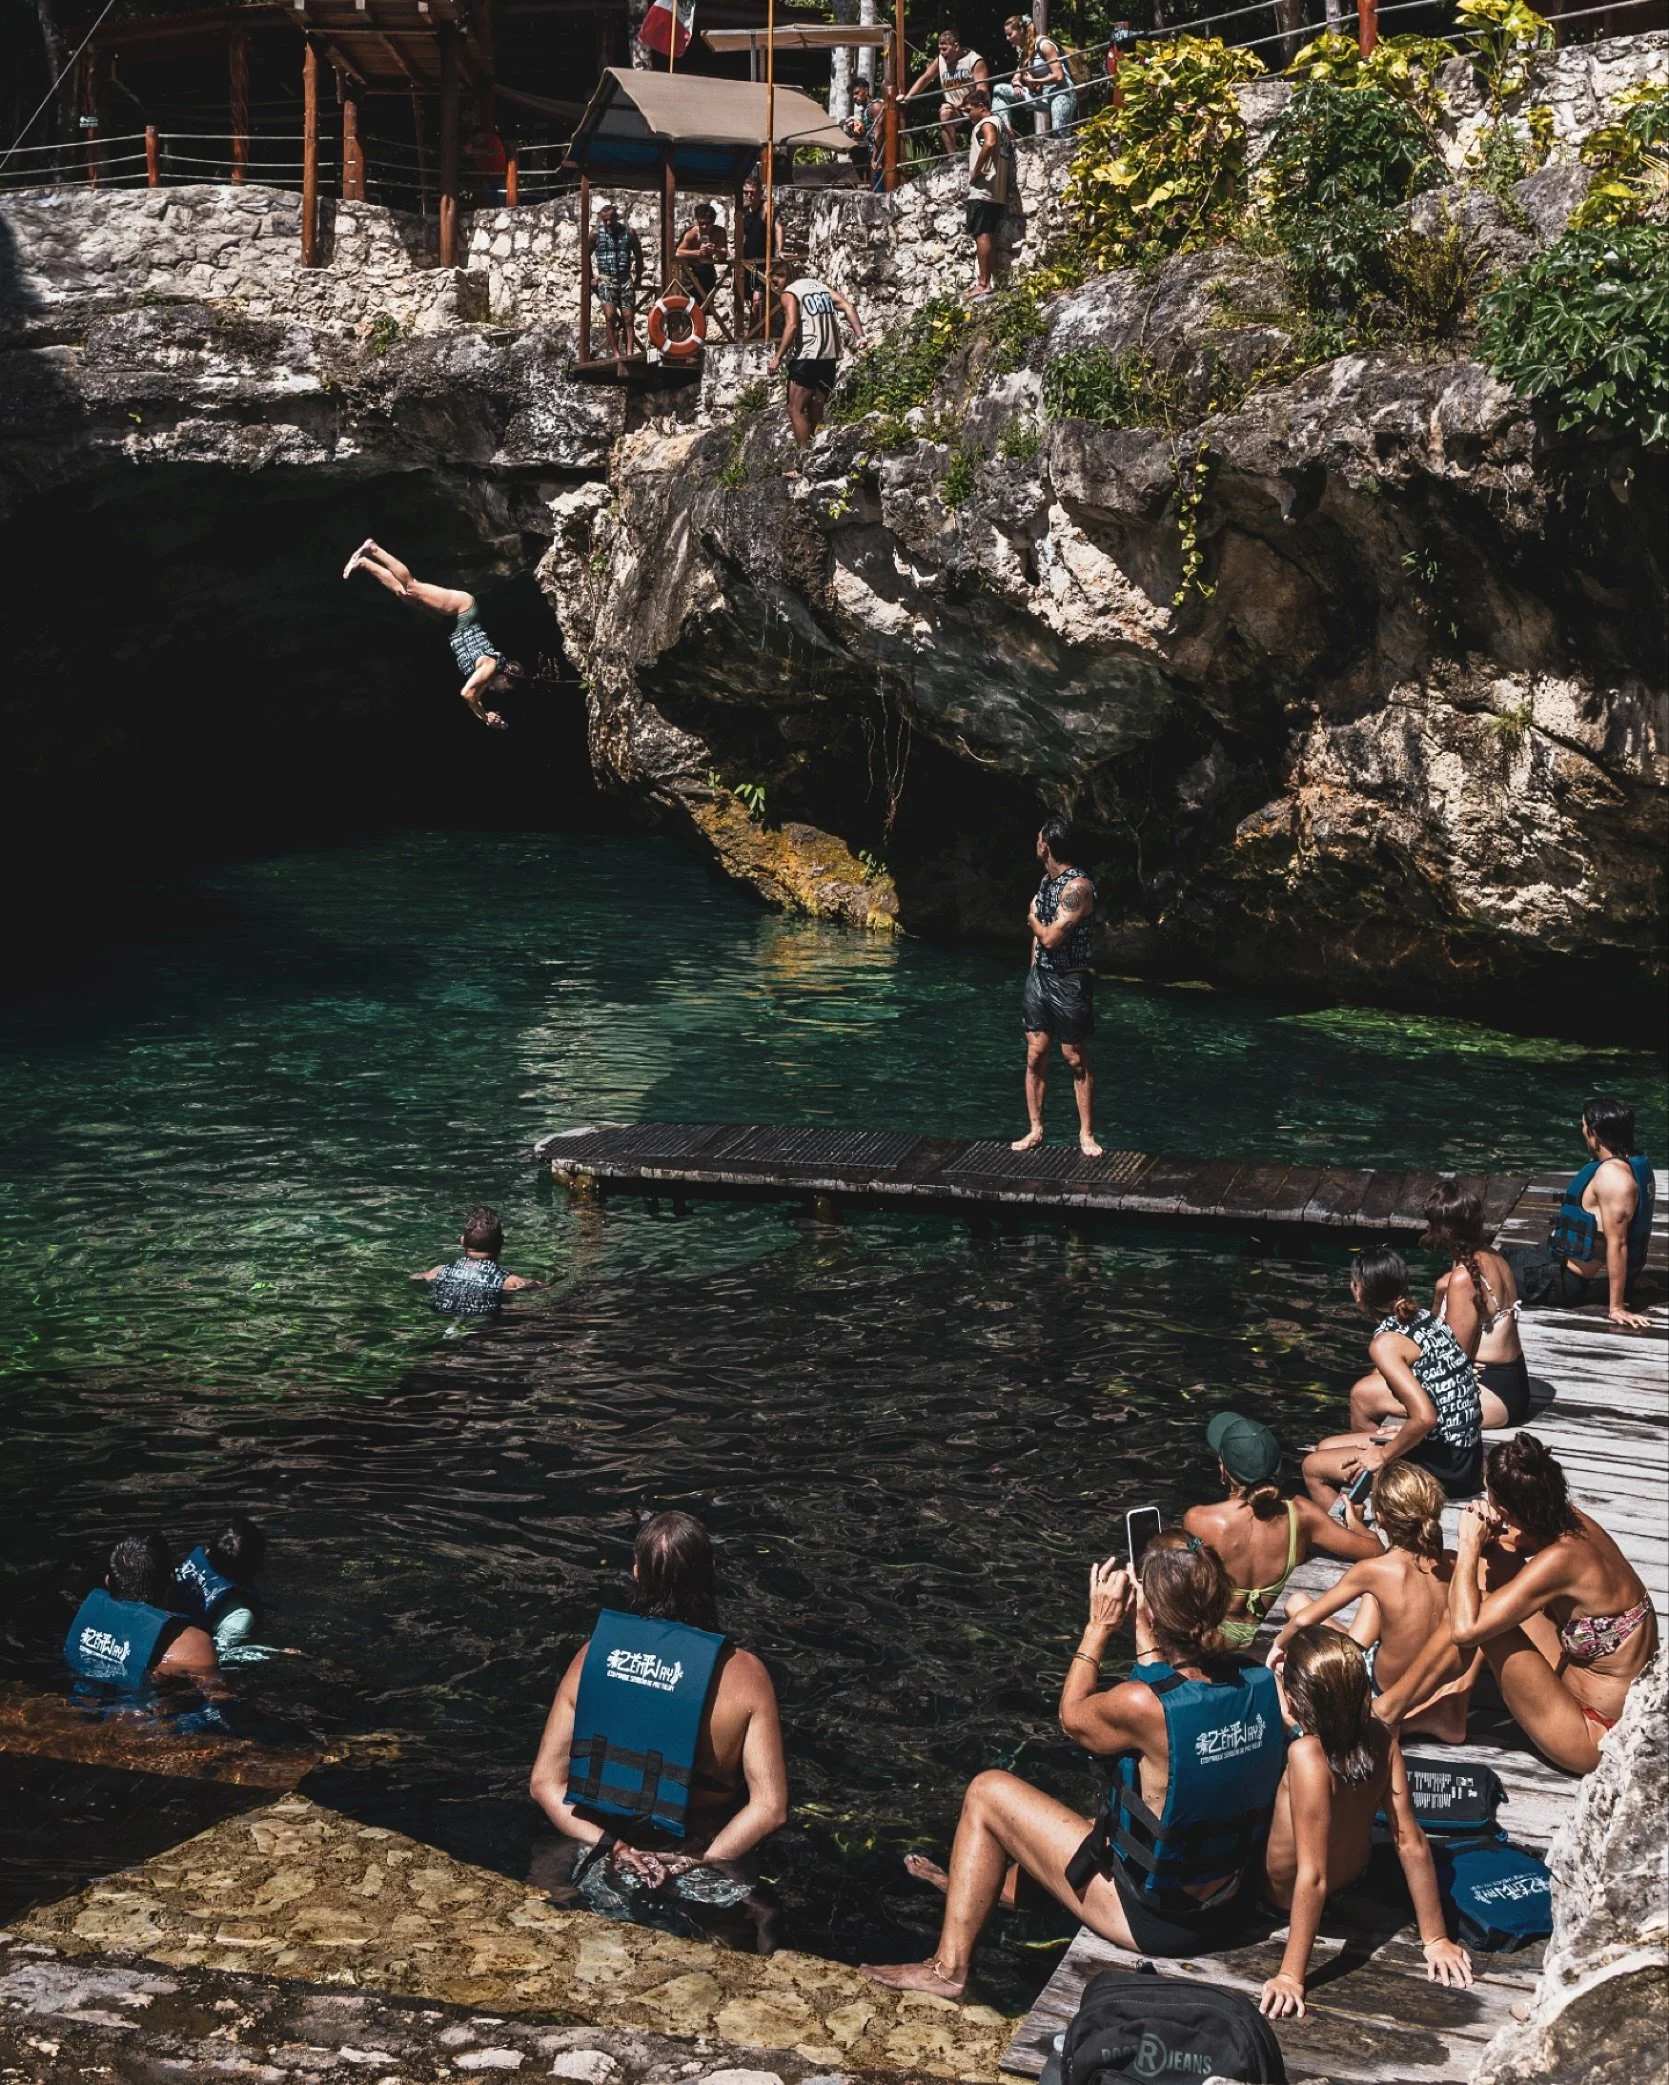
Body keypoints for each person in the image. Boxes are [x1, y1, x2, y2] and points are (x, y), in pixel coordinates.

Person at [859, 1533, 1287, 1995]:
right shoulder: (1259, 1678)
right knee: (1088, 1822)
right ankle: (987, 1890)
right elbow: (1170, 1695)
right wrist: (1147, 1629)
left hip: (1158, 1921)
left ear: (1152, 1611)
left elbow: (1072, 1718)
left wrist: (1099, 1626)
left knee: (988, 1791)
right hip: (1226, 1901)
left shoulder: (1142, 1707)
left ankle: (948, 1969)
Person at [528, 1511, 789, 1938]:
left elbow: (544, 1784)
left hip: (603, 1853)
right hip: (702, 1852)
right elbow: (770, 1809)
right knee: (752, 1933)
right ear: (712, 1574)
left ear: (635, 1574)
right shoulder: (747, 1675)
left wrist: (614, 1846)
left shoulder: (592, 1657)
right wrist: (700, 1862)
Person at [1258, 1626, 1473, 2020]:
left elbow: (1313, 1876)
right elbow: (1409, 1839)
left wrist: (1291, 1975)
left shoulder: (1305, 1756)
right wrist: (1436, 1938)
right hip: (1354, 1878)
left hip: (1286, 1898)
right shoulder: (1381, 1734)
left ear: (1295, 1698)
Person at [1445, 1434, 1657, 1772]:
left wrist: (1469, 1541)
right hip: (1599, 1693)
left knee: (1471, 1612)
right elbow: (1511, 1544)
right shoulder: (1570, 1519)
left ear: (1504, 1507)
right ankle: (1448, 1702)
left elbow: (1465, 1630)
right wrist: (1490, 1538)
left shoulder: (1561, 1560)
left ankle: (1400, 1710)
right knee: (1488, 1565)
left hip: (1596, 1733)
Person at [1273, 1462, 1480, 1742]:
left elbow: (1303, 1619)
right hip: (1435, 1679)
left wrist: (1276, 1647)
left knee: (1296, 1603)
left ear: (1381, 1519)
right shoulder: (1454, 1561)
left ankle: (1413, 1717)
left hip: (1387, 1687)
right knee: (1379, 1593)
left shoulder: (1376, 1571)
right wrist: (1358, 1527)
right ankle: (1440, 1711)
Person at [1183, 1411, 1379, 1650]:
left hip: (1216, 1642)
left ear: (1223, 1470)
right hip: (1273, 1636)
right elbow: (1375, 1550)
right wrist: (1357, 1524)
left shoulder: (1199, 1520)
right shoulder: (1301, 1514)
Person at [1302, 1247, 1483, 1506]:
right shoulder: (1425, 1319)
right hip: (1466, 1455)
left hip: (1447, 1470)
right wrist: (1403, 1433)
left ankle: (1353, 1539)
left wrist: (1384, 1455)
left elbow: (1425, 1417)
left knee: (1312, 1467)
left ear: (1359, 1292)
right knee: (1325, 1446)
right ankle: (1361, 1505)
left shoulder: (1385, 1344)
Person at [1503, 1097, 1655, 1328]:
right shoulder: (1632, 1164)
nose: (1583, 1132)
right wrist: (1631, 1278)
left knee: (1476, 1277)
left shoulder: (1614, 1178)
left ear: (1595, 1134)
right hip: (1551, 1260)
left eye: (1584, 1126)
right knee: (1496, 1256)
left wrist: (1616, 1307)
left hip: (1560, 1280)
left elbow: (1619, 1243)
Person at [343, 541, 522, 729]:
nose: (502, 692)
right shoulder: (491, 666)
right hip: (463, 610)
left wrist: (486, 715)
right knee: (412, 586)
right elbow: (467, 694)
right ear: (505, 677)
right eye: (506, 688)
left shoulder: (486, 679)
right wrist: (485, 716)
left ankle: (364, 563)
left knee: (404, 595)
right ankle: (373, 549)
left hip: (454, 624)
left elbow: (474, 696)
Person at [1012, 815, 1101, 1159]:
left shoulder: (1077, 889)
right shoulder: (1046, 882)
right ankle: (1035, 1129)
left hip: (1070, 981)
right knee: (1035, 1054)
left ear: (1046, 845)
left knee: (1074, 1058)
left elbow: (1048, 937)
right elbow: (1039, 947)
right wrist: (1032, 973)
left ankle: (1086, 1134)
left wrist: (1031, 918)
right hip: (1040, 979)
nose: (1035, 843)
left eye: (1038, 839)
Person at [1422, 1180, 1531, 1429]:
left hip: (1489, 1390)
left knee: (1367, 1395)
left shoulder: (1464, 1277)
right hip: (1511, 1384)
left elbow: (1452, 1355)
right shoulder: (1491, 1255)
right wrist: (1441, 1292)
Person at [64, 1533, 217, 1690]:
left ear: (108, 1582)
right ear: (171, 1580)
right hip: (152, 1710)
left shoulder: (86, 1619)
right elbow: (217, 1698)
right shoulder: (191, 1645)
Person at [769, 275, 864, 448]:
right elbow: (848, 307)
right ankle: (819, 454)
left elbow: (792, 326)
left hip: (808, 356)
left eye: (775, 282)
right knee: (816, 408)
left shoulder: (790, 293)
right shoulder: (822, 288)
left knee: (794, 409)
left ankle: (802, 461)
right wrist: (860, 335)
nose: (774, 287)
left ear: (785, 277)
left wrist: (778, 357)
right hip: (829, 357)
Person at [414, 1205, 542, 1318]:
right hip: (484, 1322)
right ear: (501, 1241)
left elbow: (415, 1277)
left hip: (443, 1315)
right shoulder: (509, 1282)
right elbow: (543, 1288)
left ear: (462, 1241)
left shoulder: (439, 1271)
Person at [174, 1515, 267, 1660]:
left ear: (208, 1551)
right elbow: (215, 1656)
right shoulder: (239, 1616)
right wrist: (271, 1654)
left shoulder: (188, 1568)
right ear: (256, 1568)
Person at [905, 29, 990, 159]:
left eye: (945, 49)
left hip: (976, 109)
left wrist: (963, 103)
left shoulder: (974, 60)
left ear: (956, 46)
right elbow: (925, 78)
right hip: (956, 112)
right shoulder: (941, 60)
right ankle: (953, 158)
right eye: (940, 49)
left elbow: (982, 91)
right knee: (944, 113)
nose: (942, 53)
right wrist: (907, 98)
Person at [962, 86, 1012, 301]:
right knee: (988, 233)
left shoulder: (987, 123)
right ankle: (986, 280)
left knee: (981, 233)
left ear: (981, 108)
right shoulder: (1002, 123)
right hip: (997, 189)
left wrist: (976, 170)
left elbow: (990, 142)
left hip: (984, 188)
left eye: (969, 109)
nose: (967, 115)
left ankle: (983, 283)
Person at [993, 14, 1075, 137]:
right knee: (999, 90)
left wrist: (1035, 80)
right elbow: (1016, 76)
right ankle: (1007, 134)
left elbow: (1059, 76)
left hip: (1061, 93)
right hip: (1041, 96)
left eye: (1010, 34)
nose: (1007, 38)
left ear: (1021, 30)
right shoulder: (1025, 51)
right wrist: (1016, 83)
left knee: (1059, 135)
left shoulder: (1044, 45)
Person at [590, 199, 645, 359]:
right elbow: (585, 256)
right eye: (605, 220)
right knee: (610, 316)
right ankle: (616, 354)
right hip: (606, 278)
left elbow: (639, 255)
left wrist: (638, 277)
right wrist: (590, 278)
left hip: (625, 277)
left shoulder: (628, 232)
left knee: (628, 318)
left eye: (611, 219)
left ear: (616, 218)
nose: (608, 223)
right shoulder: (595, 234)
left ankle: (629, 352)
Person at [737, 177, 783, 333]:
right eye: (746, 193)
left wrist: (780, 249)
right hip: (747, 262)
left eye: (753, 193)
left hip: (762, 263)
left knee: (758, 300)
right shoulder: (743, 212)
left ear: (760, 192)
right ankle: (751, 332)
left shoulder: (766, 208)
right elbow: (740, 236)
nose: (749, 196)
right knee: (746, 298)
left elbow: (778, 227)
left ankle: (758, 333)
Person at [674, 202, 728, 308]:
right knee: (688, 307)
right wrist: (698, 253)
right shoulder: (692, 233)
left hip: (707, 273)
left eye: (708, 224)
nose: (705, 227)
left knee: (705, 307)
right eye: (701, 223)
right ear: (697, 221)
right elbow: (678, 252)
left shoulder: (719, 232)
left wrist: (715, 250)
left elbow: (724, 254)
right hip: (690, 274)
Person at [842, 77, 882, 187]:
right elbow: (870, 132)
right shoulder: (866, 110)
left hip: (881, 157)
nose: (854, 98)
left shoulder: (875, 106)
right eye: (853, 95)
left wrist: (874, 158)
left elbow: (879, 133)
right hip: (874, 155)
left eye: (857, 93)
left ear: (866, 90)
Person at [466, 126, 508, 207]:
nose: (479, 140)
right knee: (489, 207)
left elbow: (491, 151)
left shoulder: (493, 140)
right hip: (487, 180)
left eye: (481, 137)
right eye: (477, 138)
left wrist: (472, 151)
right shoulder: (473, 145)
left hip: (501, 178)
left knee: (502, 207)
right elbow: (465, 154)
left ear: (485, 135)